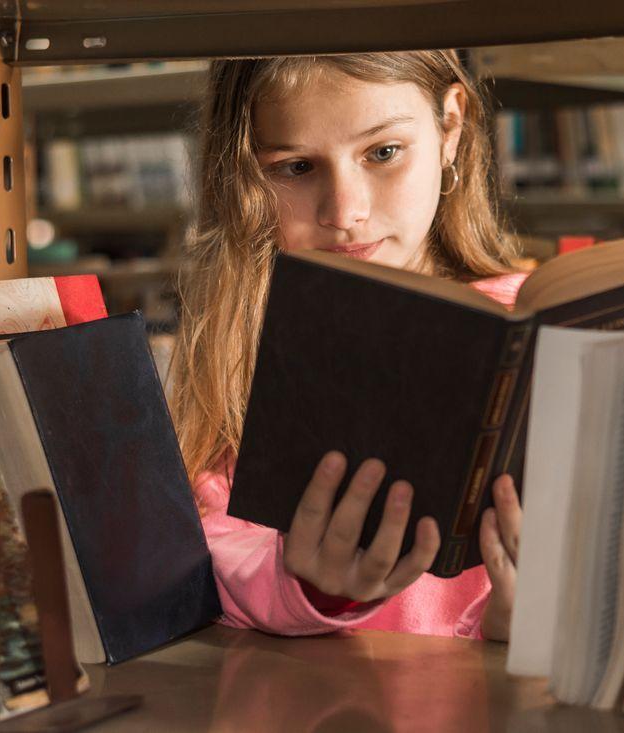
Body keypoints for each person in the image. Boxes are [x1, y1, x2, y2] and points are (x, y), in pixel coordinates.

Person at [168, 51, 528, 642]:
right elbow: (206, 567)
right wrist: (310, 587)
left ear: (450, 128)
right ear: (243, 178)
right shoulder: (234, 358)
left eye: (383, 152)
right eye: (296, 167)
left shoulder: (527, 324)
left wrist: (518, 632)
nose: (346, 213)